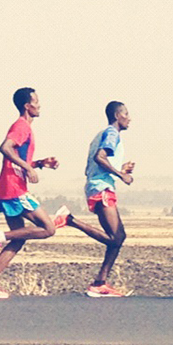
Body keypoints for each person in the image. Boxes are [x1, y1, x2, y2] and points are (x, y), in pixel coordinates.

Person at [0, 87, 68, 299]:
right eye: (36, 101)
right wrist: (28, 169)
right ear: (27, 105)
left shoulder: (24, 127)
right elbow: (5, 148)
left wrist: (38, 163)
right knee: (48, 228)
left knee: (19, 238)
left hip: (9, 187)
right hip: (14, 188)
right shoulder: (21, 126)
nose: (39, 104)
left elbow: (15, 157)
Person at [60, 101, 136, 297]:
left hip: (100, 186)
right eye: (126, 114)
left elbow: (96, 163)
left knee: (119, 237)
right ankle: (69, 220)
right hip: (101, 188)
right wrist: (121, 175)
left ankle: (100, 282)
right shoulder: (112, 134)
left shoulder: (101, 134)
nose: (129, 118)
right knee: (115, 238)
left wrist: (120, 168)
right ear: (117, 116)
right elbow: (99, 158)